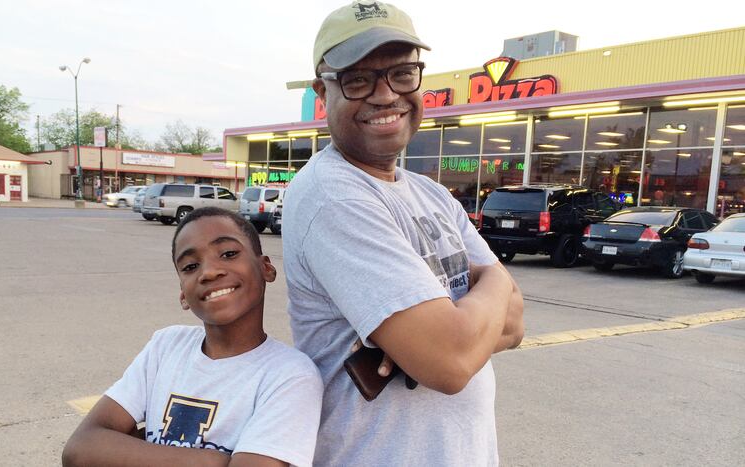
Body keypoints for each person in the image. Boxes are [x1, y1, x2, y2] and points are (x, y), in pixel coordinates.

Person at [283, 2, 525, 466]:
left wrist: (441, 338)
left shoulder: (431, 195)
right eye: (357, 79)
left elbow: (515, 324)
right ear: (323, 92)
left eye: (401, 73)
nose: (384, 94)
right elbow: (451, 362)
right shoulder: (334, 197)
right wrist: (494, 283)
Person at [63, 207, 323, 467]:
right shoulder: (166, 346)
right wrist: (213, 461)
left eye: (229, 254)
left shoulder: (291, 375)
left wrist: (130, 451)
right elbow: (79, 449)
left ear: (266, 268)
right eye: (190, 266)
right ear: (182, 295)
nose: (209, 272)